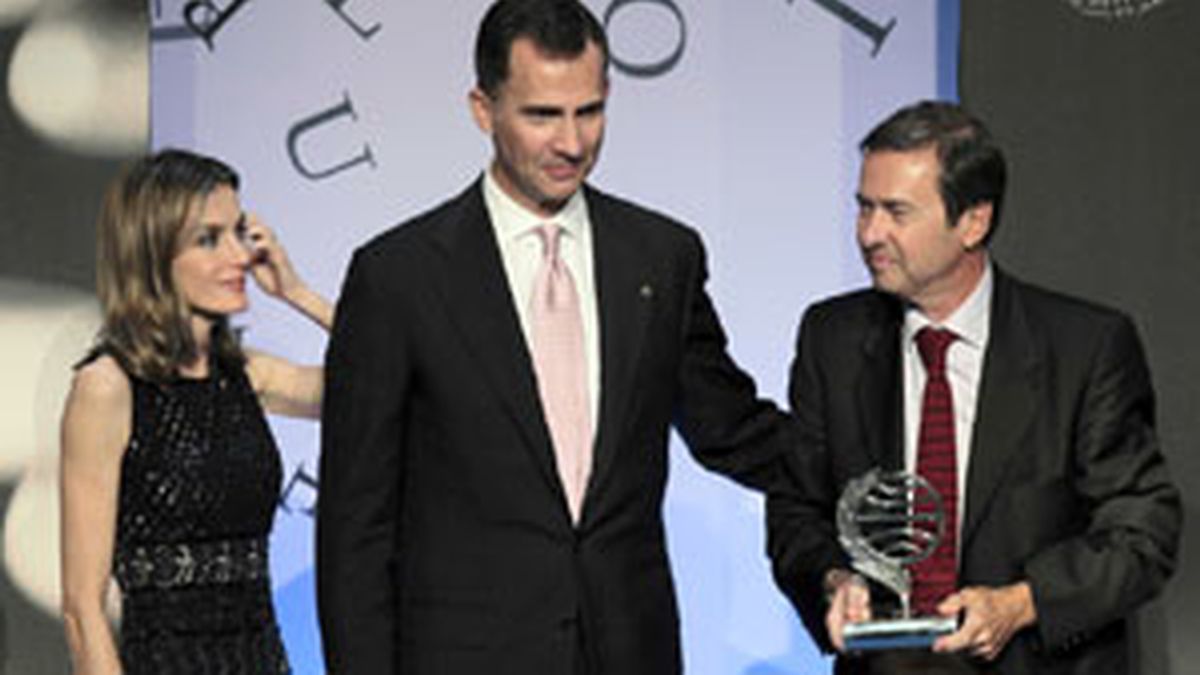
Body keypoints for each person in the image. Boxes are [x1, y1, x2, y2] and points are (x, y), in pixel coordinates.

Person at [316, 1, 796, 673]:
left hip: (628, 650)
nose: (572, 142)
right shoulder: (398, 276)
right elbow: (354, 529)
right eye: (542, 115)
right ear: (483, 109)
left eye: (590, 110)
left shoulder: (662, 256)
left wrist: (884, 467)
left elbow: (733, 429)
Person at [767, 100, 1182, 674]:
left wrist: (1020, 604)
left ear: (973, 222)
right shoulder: (832, 339)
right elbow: (796, 511)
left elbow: (1142, 533)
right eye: (863, 208)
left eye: (896, 212)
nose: (870, 233)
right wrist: (834, 580)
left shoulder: (1085, 348)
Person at [59, 149, 333, 674]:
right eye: (209, 239)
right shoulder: (107, 388)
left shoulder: (249, 377)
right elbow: (82, 608)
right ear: (153, 255)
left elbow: (382, 382)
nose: (239, 256)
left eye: (239, 232)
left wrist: (297, 292)